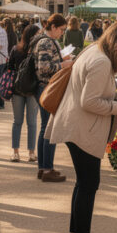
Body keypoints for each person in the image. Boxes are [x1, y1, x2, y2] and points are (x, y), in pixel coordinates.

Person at [46, 21, 117, 233]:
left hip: (76, 125)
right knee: (88, 185)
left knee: (84, 184)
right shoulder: (102, 61)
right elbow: (90, 102)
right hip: (82, 128)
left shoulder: (93, 51)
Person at [33, 14, 74, 183]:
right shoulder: (45, 42)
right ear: (54, 27)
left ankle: (44, 168)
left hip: (46, 87)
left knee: (46, 127)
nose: (62, 33)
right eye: (62, 30)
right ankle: (46, 168)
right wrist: (63, 65)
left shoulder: (47, 41)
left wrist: (61, 60)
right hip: (46, 87)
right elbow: (43, 68)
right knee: (49, 128)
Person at [9, 25, 41, 163]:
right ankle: (31, 153)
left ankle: (15, 153)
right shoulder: (37, 51)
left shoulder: (16, 49)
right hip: (33, 90)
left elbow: (9, 68)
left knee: (17, 121)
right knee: (32, 122)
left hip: (17, 89)